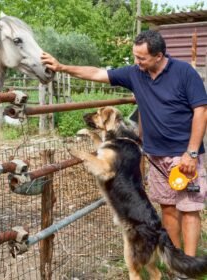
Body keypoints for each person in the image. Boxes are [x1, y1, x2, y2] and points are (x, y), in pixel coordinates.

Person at [42, 30, 207, 260]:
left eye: (142, 58)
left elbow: (201, 111)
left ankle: (190, 264)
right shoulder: (135, 74)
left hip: (183, 155)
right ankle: (177, 263)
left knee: (189, 209)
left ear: (159, 56)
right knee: (168, 208)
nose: (136, 62)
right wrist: (62, 67)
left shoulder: (184, 72)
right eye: (135, 56)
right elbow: (98, 73)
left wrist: (191, 152)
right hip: (155, 156)